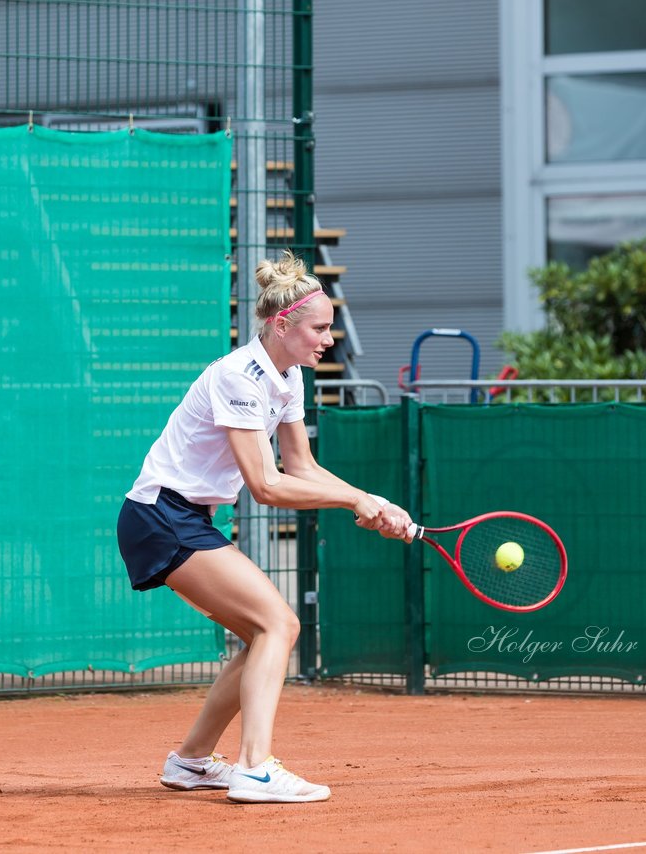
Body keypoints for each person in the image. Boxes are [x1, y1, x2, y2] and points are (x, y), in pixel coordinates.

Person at [116, 250, 413, 804]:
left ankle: (190, 762)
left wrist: (370, 500)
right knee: (280, 623)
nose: (329, 339)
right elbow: (268, 484)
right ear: (283, 325)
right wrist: (354, 502)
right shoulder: (239, 376)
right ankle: (254, 768)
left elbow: (302, 466)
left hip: (183, 517)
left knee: (261, 633)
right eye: (319, 329)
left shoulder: (289, 376)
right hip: (161, 516)